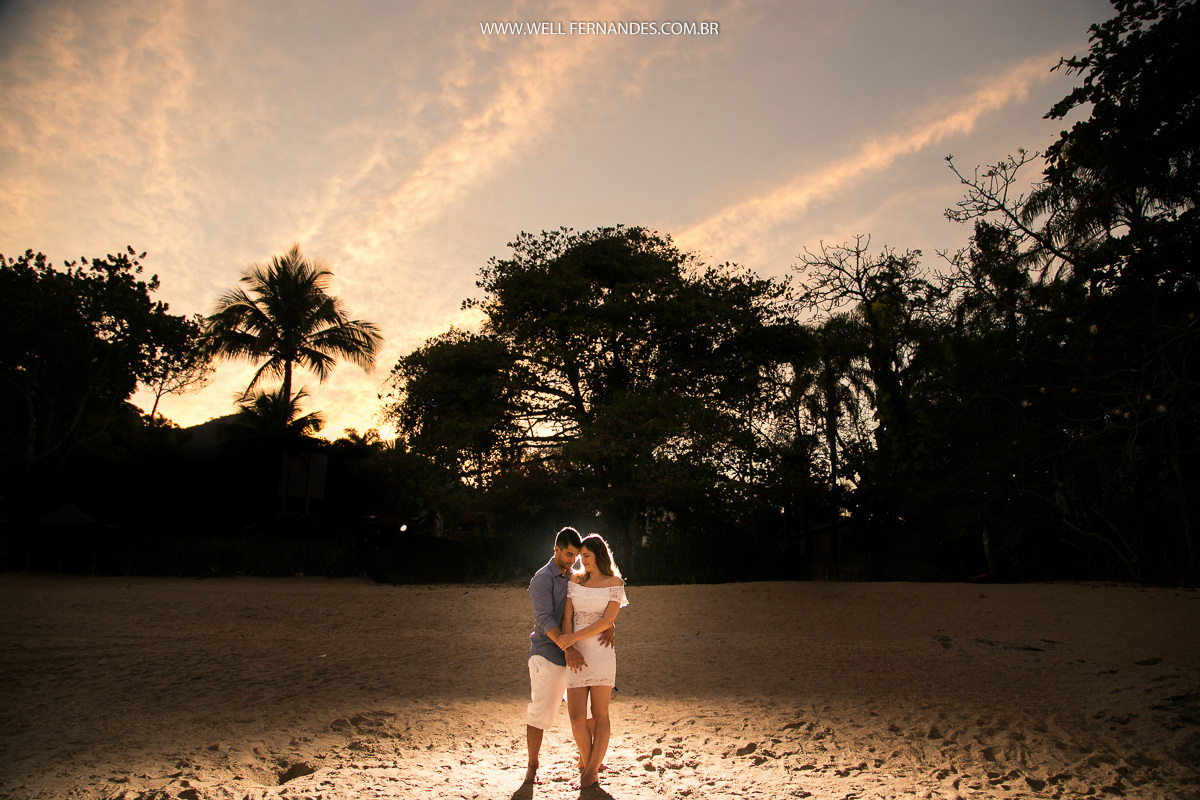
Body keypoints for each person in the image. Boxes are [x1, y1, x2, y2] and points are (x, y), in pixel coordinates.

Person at [525, 527, 614, 785]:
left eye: (575, 555)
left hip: (580, 654)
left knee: (587, 714)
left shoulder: (577, 576)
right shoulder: (542, 580)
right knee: (541, 712)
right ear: (556, 549)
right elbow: (544, 619)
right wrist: (568, 649)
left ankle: (587, 762)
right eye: (567, 554)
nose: (572, 560)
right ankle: (533, 766)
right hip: (549, 654)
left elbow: (596, 604)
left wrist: (611, 626)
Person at [556, 533, 628, 790]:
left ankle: (590, 774)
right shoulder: (575, 581)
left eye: (586, 556)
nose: (581, 561)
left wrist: (573, 636)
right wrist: (570, 647)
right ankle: (589, 767)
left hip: (601, 654)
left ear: (599, 555)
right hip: (575, 654)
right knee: (576, 717)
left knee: (600, 715)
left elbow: (607, 621)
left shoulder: (615, 583)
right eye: (580, 556)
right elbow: (567, 616)